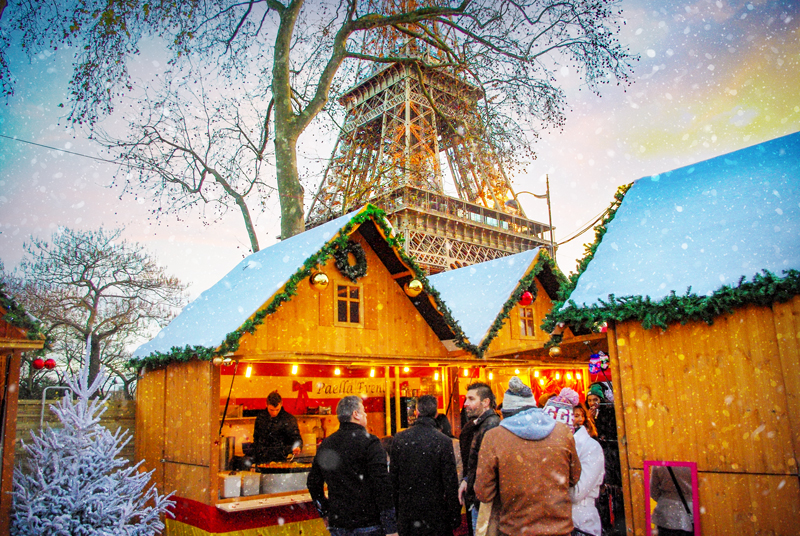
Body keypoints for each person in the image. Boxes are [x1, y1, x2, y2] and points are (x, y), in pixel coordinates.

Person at [474, 376, 581, 536]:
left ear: (506, 413)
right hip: (560, 529)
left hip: (515, 529)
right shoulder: (562, 432)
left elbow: (483, 492)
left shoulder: (494, 437)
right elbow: (574, 477)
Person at [307, 395, 398, 536]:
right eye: (363, 410)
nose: (366, 414)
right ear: (355, 414)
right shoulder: (371, 443)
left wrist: (324, 511)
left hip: (339, 523)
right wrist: (391, 526)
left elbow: (313, 483)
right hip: (368, 523)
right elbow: (382, 484)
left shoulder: (326, 444)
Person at [390, 395, 461, 536]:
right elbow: (450, 481)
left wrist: (395, 513)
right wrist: (454, 515)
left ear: (417, 412)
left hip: (408, 513)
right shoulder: (444, 441)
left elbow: (393, 480)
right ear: (436, 414)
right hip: (435, 513)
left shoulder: (400, 439)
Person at [459, 382, 501, 534]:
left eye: (471, 399)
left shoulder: (490, 426)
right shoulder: (481, 425)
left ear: (485, 402)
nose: (465, 404)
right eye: (466, 399)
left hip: (484, 502)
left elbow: (489, 468)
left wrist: (478, 493)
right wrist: (467, 480)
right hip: (480, 499)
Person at [586, 383, 624, 536]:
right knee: (602, 495)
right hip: (600, 460)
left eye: (595, 399)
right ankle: (605, 526)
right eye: (589, 400)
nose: (592, 403)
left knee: (615, 494)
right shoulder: (590, 417)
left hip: (611, 459)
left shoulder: (610, 414)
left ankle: (619, 526)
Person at [569, 404, 605, 536]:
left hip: (581, 520)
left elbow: (577, 493)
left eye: (577, 416)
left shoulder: (591, 447)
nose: (574, 420)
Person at [252, 390, 302, 463]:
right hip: (262, 460)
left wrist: (297, 446)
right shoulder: (261, 418)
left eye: (277, 410)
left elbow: (296, 437)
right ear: (266, 405)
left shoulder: (289, 419)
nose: (274, 413)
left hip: (282, 459)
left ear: (281, 404)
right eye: (271, 410)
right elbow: (256, 438)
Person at [650, 465, 693, 536]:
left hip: (665, 513)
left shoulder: (659, 461)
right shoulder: (698, 460)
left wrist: (666, 499)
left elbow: (653, 491)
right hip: (690, 512)